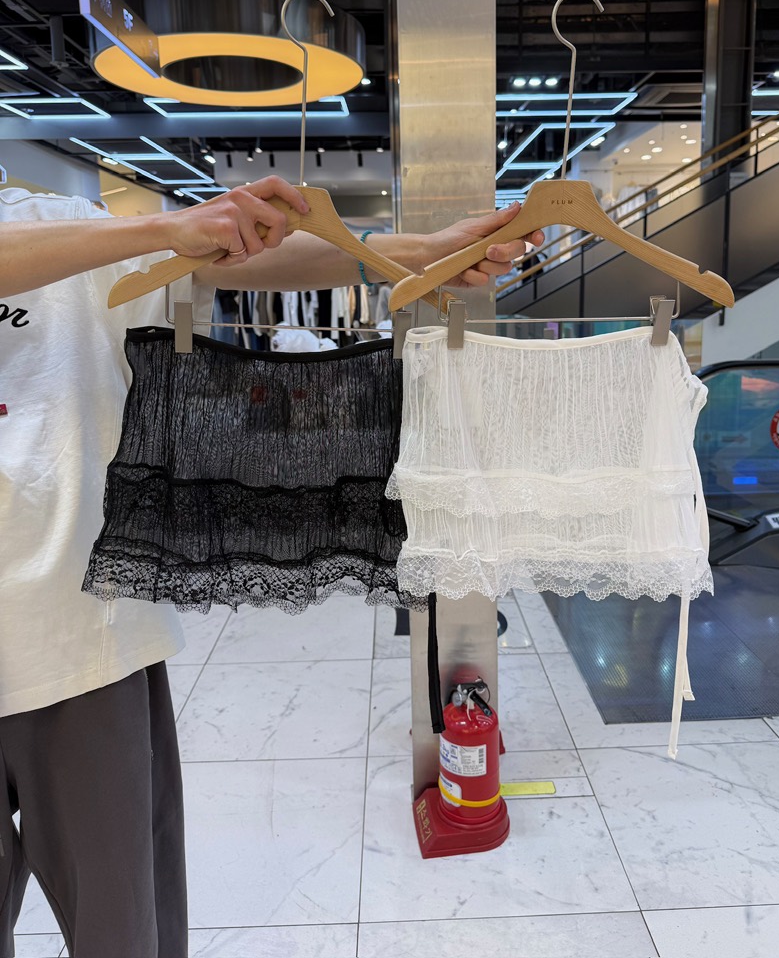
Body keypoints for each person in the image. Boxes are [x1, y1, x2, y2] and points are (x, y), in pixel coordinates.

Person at [0, 175, 540, 958]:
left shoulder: (67, 224)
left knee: (120, 930)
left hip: (77, 633)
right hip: (80, 617)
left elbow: (237, 258)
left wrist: (416, 252)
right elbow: (182, 244)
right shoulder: (111, 234)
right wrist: (162, 228)